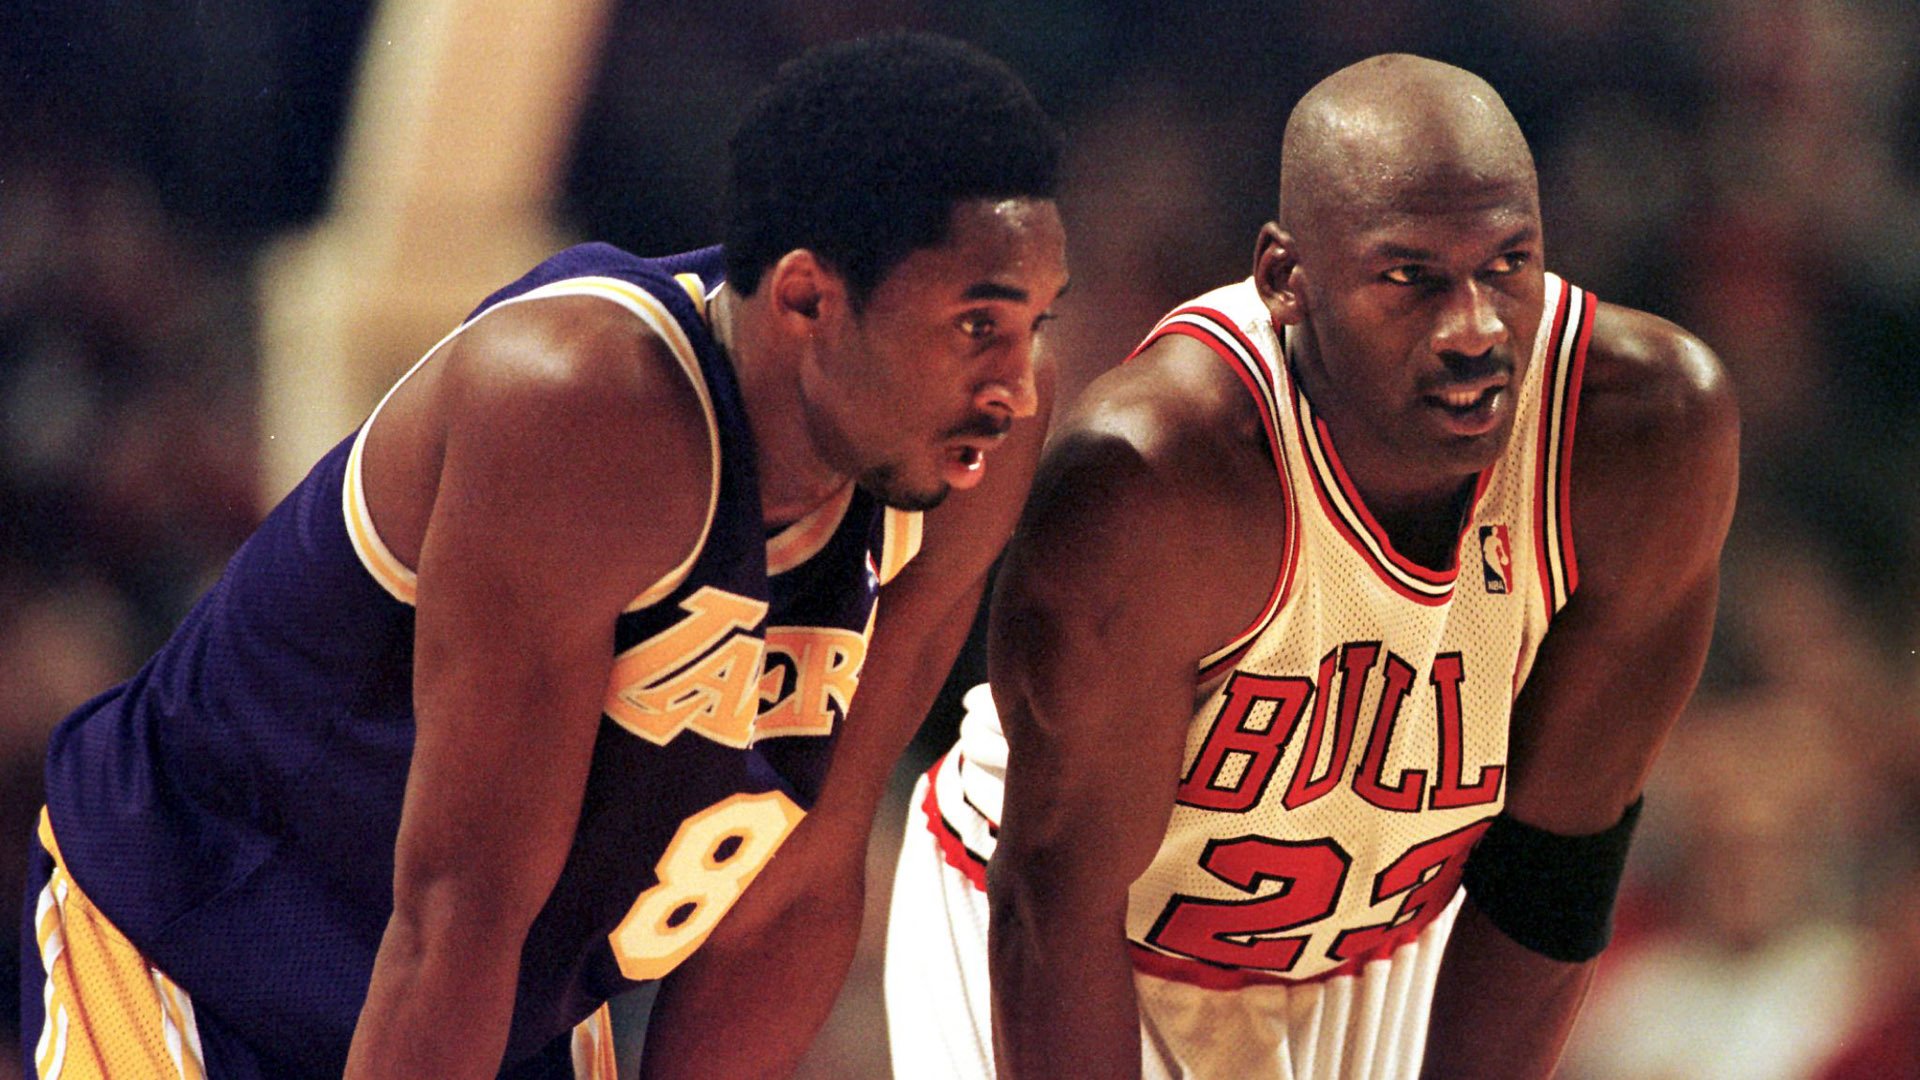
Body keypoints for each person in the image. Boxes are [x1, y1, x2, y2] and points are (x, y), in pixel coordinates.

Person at [21, 32, 1068, 1080]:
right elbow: (454, 916)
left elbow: (795, 884)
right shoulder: (583, 408)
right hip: (200, 935)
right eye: (978, 325)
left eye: (1033, 324)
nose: (1017, 384)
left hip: (501, 1000)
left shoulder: (962, 456)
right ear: (805, 301)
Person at [885, 53, 1737, 1080]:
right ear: (1287, 281)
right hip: (1063, 934)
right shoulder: (1158, 474)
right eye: (1410, 278)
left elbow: (1552, 875)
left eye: (1507, 264)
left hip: (1373, 952)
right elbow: (1054, 906)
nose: (1474, 329)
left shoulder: (1646, 431)